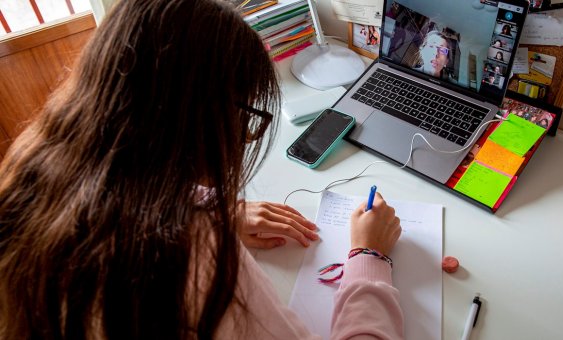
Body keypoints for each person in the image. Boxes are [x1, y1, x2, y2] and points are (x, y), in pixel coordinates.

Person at [0, 0, 404, 339]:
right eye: (246, 119)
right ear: (203, 120)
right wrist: (368, 255)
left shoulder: (30, 170)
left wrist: (217, 212)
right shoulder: (188, 253)